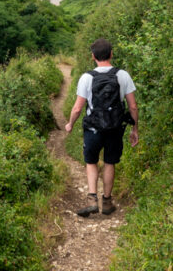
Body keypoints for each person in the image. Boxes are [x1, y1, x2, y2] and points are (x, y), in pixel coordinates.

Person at [65, 38, 139, 216]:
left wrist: (70, 124)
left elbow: (77, 108)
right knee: (109, 162)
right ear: (111, 54)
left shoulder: (87, 78)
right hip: (115, 127)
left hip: (93, 128)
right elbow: (133, 106)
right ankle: (107, 202)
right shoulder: (123, 75)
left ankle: (92, 199)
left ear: (93, 56)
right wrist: (135, 129)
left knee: (91, 162)